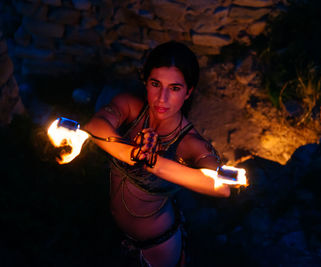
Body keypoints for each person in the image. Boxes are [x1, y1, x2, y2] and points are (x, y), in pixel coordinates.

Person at [83, 41, 230, 266]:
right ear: (145, 82)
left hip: (158, 244)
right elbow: (95, 126)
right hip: (118, 233)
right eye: (155, 84)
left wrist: (154, 163)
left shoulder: (190, 143)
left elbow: (221, 186)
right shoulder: (130, 106)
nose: (162, 98)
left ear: (188, 92)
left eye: (174, 88)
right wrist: (133, 153)